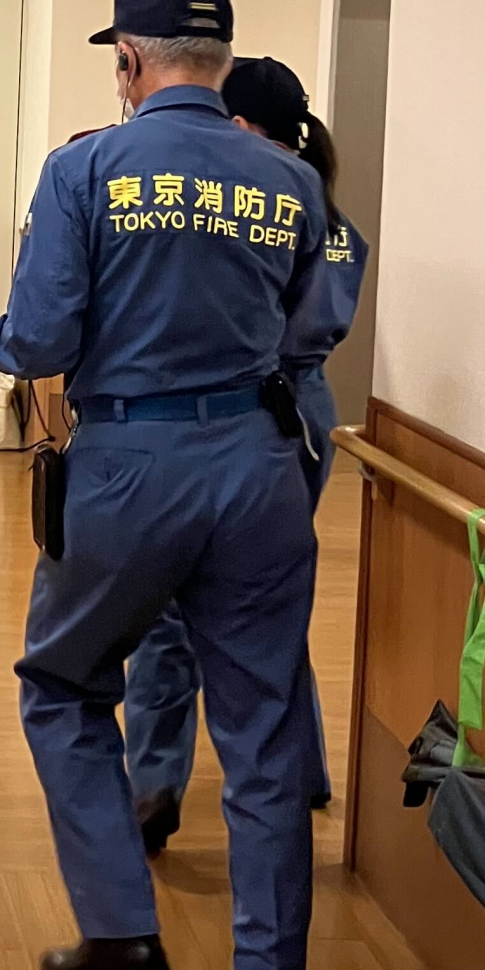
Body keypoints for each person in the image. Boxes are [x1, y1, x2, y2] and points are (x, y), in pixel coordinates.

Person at [0, 0, 327, 970]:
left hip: (131, 468)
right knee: (264, 735)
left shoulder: (86, 168)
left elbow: (41, 339)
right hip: (260, 466)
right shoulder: (292, 182)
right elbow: (304, 333)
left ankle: (121, 923)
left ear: (128, 59)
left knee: (64, 684)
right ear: (221, 60)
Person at [124, 56, 367, 852]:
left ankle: (153, 783)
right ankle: (301, 772)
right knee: (267, 602)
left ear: (237, 124)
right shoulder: (330, 219)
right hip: (302, 414)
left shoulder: (242, 206)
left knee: (167, 598)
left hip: (237, 412)